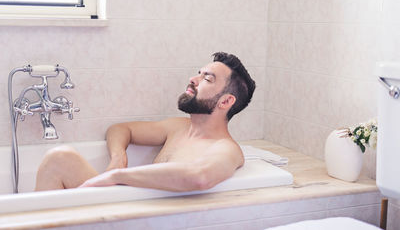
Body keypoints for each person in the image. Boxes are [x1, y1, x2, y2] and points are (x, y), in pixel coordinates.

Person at [35, 52, 256, 192]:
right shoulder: (178, 128)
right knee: (59, 158)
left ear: (226, 101)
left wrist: (116, 176)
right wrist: (118, 157)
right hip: (126, 209)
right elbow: (121, 130)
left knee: (59, 159)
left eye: (207, 78)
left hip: (146, 220)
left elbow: (199, 177)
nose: (193, 79)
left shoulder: (226, 149)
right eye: (199, 73)